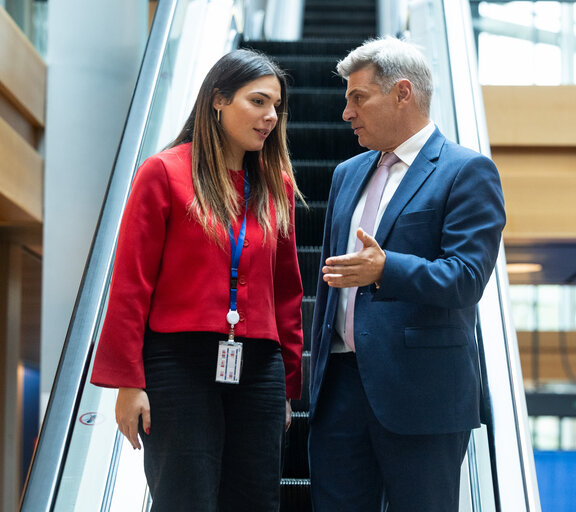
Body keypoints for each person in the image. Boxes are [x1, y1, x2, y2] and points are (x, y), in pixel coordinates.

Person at [90, 48, 303, 512]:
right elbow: (131, 284)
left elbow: (287, 291)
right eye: (259, 101)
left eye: (277, 108)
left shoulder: (276, 185)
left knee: (256, 500)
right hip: (178, 364)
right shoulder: (163, 172)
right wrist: (128, 382)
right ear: (219, 99)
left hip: (259, 367)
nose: (270, 117)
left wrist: (287, 384)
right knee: (186, 499)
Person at [308, 37, 506, 512]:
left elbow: (466, 277)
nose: (346, 113)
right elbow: (329, 282)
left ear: (402, 93)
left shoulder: (466, 171)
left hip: (423, 394)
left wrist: (385, 268)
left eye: (358, 98)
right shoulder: (346, 174)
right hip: (337, 388)